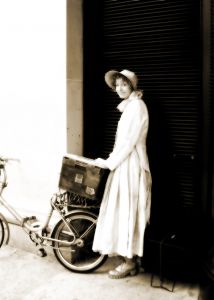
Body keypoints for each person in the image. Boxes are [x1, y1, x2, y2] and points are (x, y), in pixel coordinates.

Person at [93, 69, 152, 279]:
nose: (119, 88)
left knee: (128, 211)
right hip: (124, 163)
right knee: (126, 211)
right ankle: (132, 260)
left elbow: (128, 143)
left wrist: (109, 162)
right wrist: (111, 160)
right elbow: (122, 142)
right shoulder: (130, 107)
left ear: (132, 86)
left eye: (124, 84)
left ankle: (128, 262)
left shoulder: (136, 107)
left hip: (130, 165)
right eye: (116, 85)